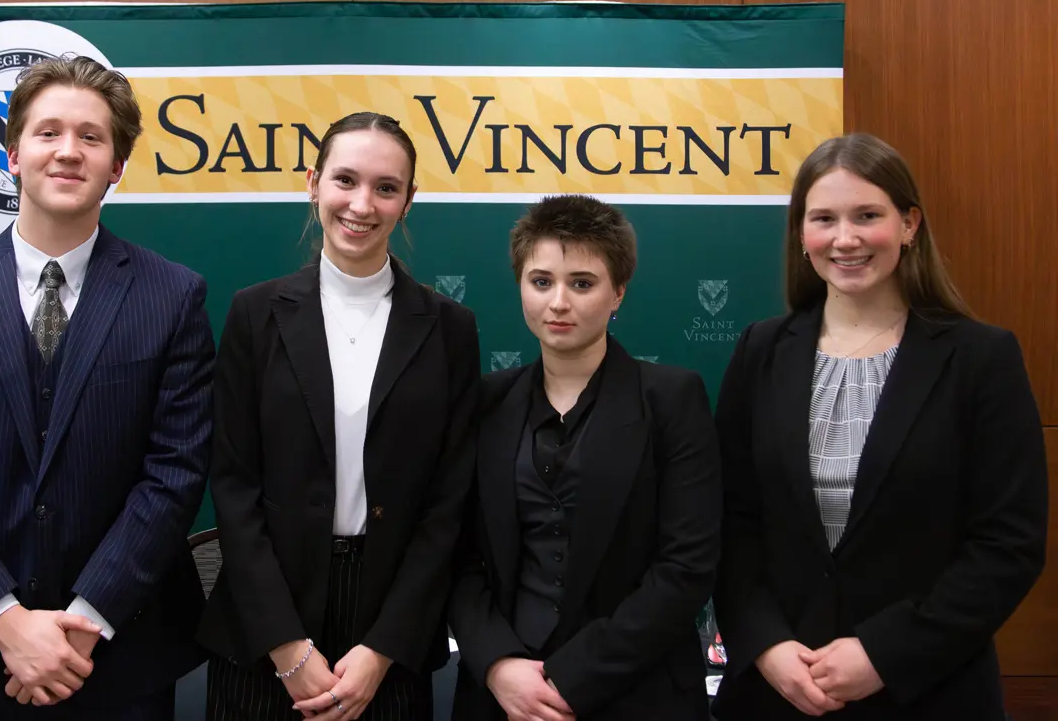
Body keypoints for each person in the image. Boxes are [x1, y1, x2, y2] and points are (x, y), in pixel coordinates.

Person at [0, 55, 215, 720]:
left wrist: (82, 624)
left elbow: (174, 474)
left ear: (116, 166)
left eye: (91, 137)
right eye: (48, 132)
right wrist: (5, 622)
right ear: (12, 156)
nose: (68, 151)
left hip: (119, 659)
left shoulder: (173, 297)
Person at [711, 133, 1049, 721]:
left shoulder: (980, 358)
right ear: (801, 233)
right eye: (824, 219)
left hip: (930, 689)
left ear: (909, 223)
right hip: (782, 692)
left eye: (867, 215)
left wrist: (887, 653)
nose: (845, 238)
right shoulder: (760, 351)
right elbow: (729, 521)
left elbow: (1008, 544)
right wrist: (765, 645)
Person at [197, 111, 481, 721]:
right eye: (345, 180)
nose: (362, 203)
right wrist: (288, 649)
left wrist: (381, 649)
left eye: (386, 187)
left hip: (389, 634)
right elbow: (233, 486)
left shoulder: (450, 329)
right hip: (266, 625)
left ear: (408, 201)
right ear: (313, 183)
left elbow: (447, 504)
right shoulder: (255, 313)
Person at [448, 194, 722, 721]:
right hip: (502, 698)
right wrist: (498, 664)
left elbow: (687, 566)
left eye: (582, 283)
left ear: (618, 291)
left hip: (639, 694)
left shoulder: (672, 398)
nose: (558, 302)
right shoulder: (484, 403)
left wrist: (572, 678)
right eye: (541, 281)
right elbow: (456, 555)